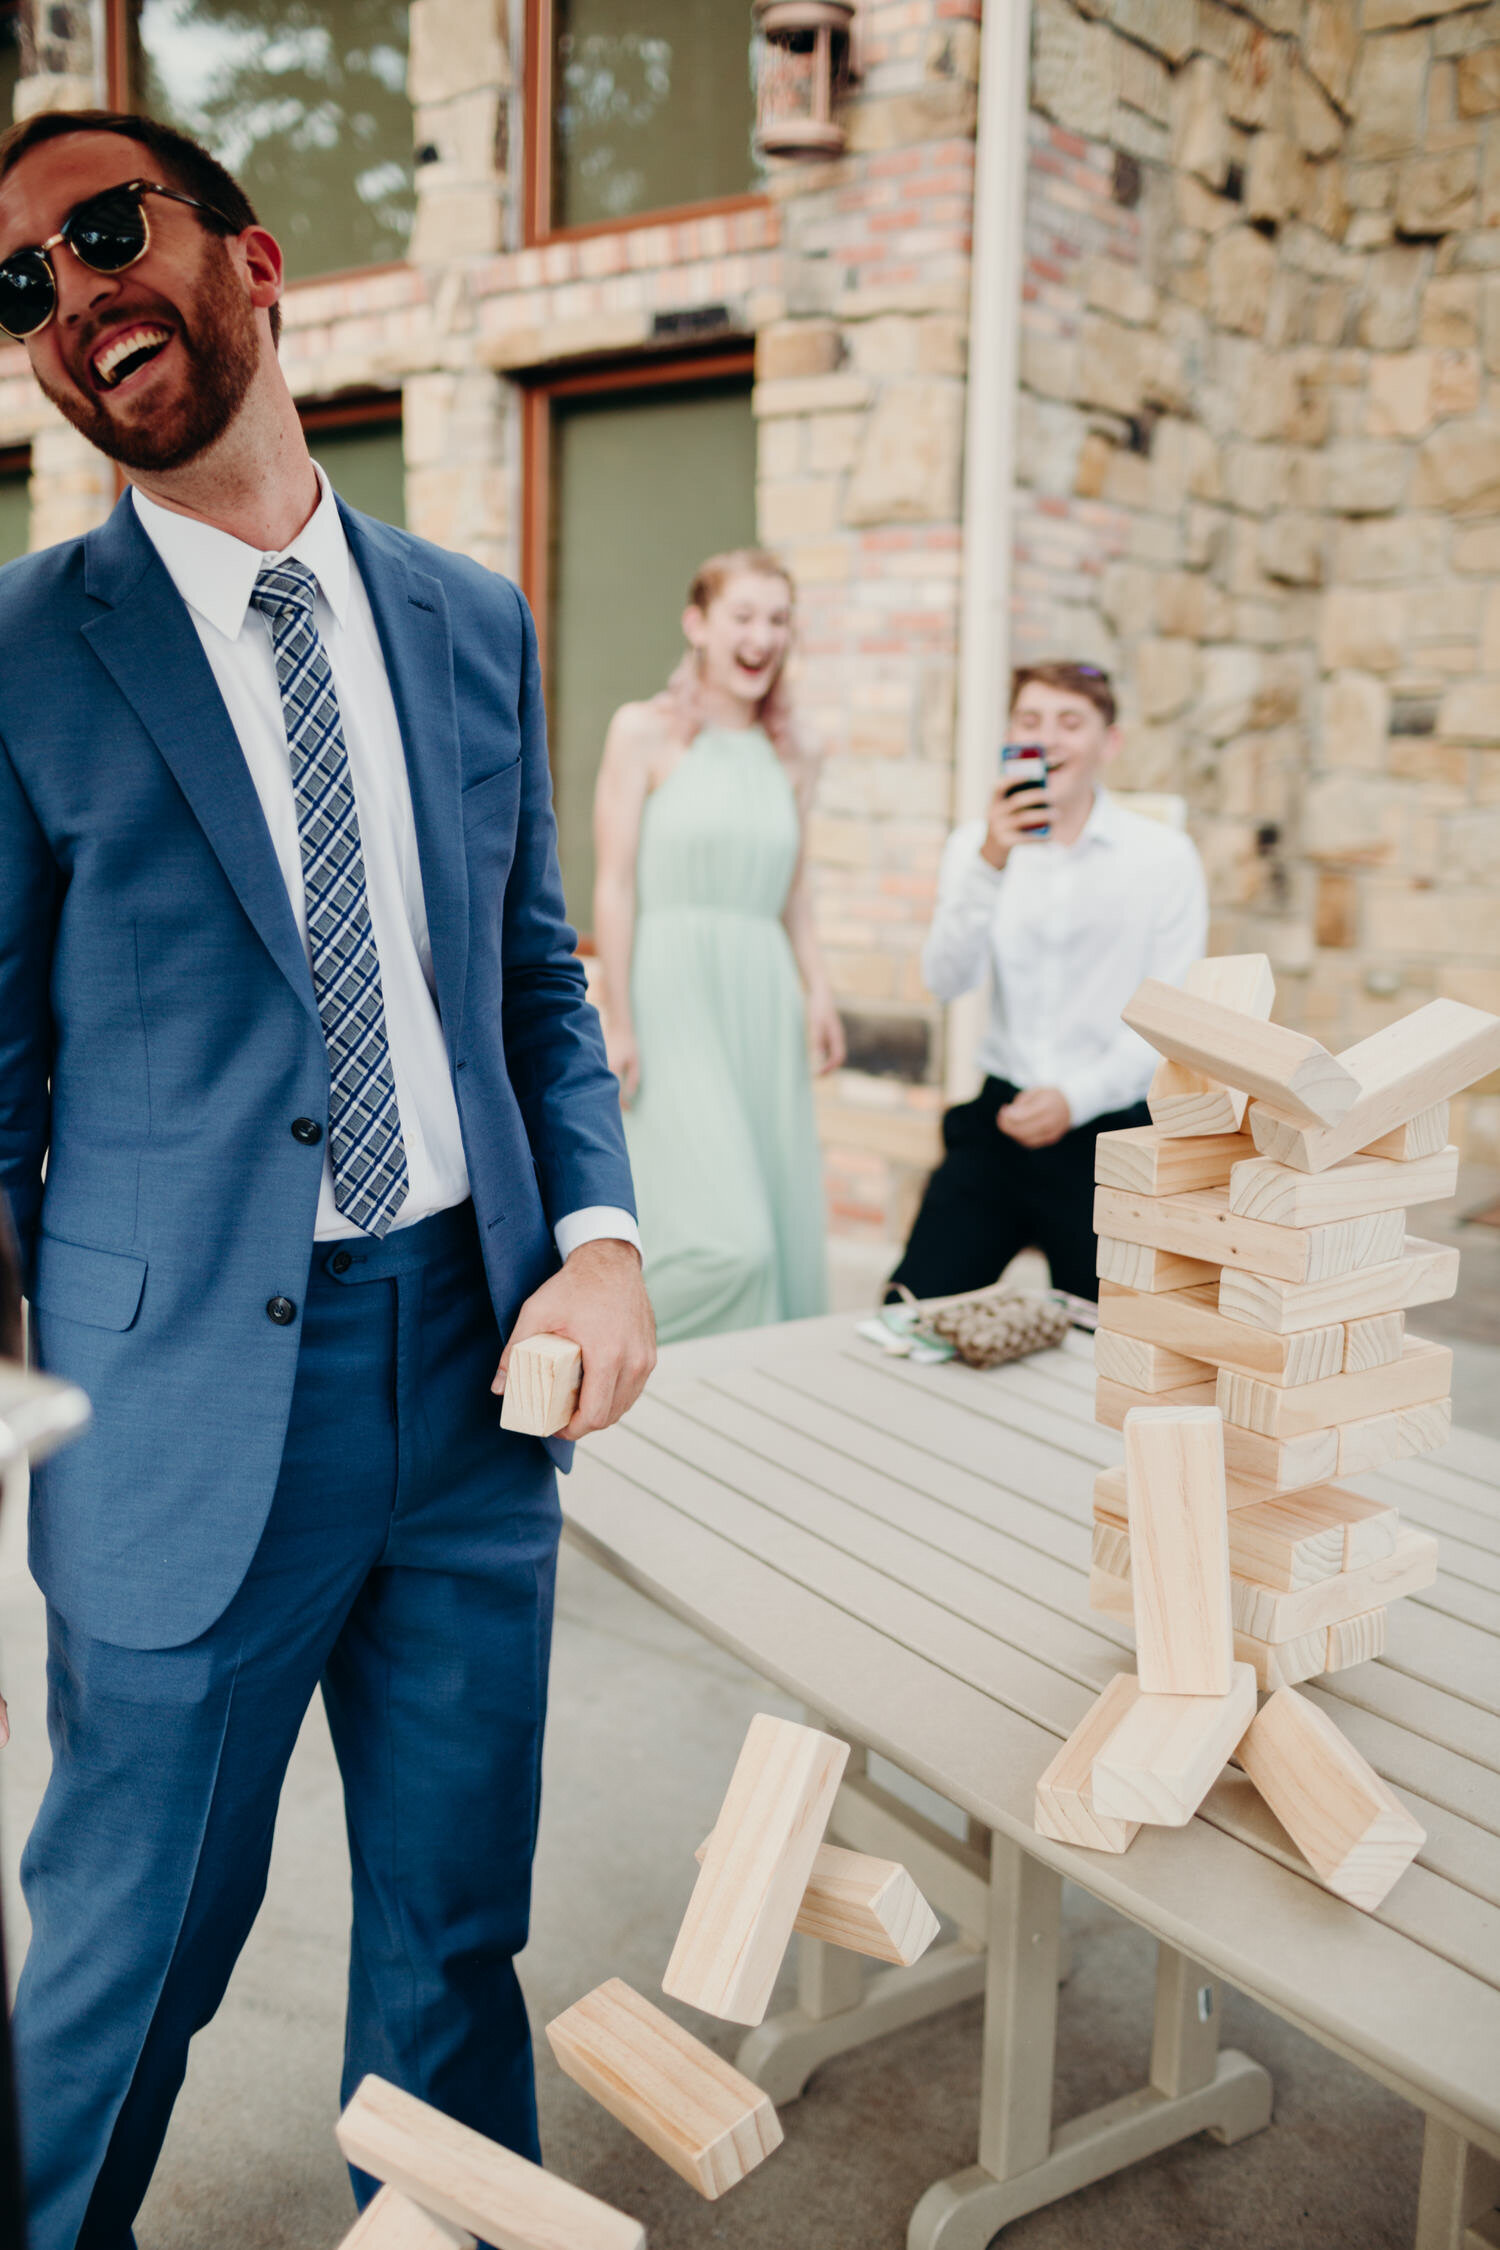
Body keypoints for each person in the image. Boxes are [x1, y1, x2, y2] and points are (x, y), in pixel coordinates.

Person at [0, 108, 655, 2249]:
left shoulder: (473, 621)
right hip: (181, 1403)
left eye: (108, 232)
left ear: (254, 263)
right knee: (128, 1970)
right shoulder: (26, 651)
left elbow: (532, 977)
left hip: (473, 1385)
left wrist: (603, 1244)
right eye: (21, 285)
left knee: (454, 1947)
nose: (74, 295)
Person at [889, 661, 1207, 1305]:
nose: (1050, 738)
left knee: (1109, 1342)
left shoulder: (1163, 859)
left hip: (1111, 1134)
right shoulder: (975, 848)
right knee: (910, 1311)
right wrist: (989, 864)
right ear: (1012, 737)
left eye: (1071, 722)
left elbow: (1171, 1018)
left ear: (1108, 743)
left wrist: (1075, 1097)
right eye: (1031, 721)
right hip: (999, 1121)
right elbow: (945, 981)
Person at [591, 550, 843, 1342]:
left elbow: (794, 891)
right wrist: (616, 1016)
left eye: (777, 620)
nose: (761, 637)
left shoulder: (798, 752)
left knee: (776, 1215)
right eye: (743, 616)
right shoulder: (643, 733)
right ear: (698, 625)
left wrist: (821, 993)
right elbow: (614, 885)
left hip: (762, 993)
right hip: (671, 994)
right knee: (732, 1245)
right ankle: (596, 1335)